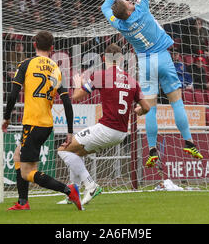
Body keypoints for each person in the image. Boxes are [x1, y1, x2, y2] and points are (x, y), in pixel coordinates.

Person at [100, 0, 203, 168]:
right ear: (129, 9)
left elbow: (104, 8)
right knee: (176, 102)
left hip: (145, 62)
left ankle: (153, 149)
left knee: (151, 108)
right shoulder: (143, 8)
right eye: (127, 1)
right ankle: (189, 142)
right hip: (163, 58)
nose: (130, 0)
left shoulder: (120, 25)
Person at [57, 44, 150, 205]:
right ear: (121, 59)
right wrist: (138, 111)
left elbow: (77, 97)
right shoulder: (132, 80)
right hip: (121, 134)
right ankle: (72, 195)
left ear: (103, 58)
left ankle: (91, 185)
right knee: (76, 153)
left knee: (63, 149)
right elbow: (146, 107)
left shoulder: (100, 76)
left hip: (107, 128)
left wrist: (78, 82)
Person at [2, 30, 82, 211]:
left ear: (34, 45)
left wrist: (6, 118)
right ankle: (23, 202)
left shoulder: (26, 64)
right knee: (18, 156)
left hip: (32, 123)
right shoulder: (55, 68)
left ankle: (68, 190)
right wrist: (69, 131)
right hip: (46, 125)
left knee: (27, 172)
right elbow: (67, 102)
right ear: (52, 48)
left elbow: (13, 94)